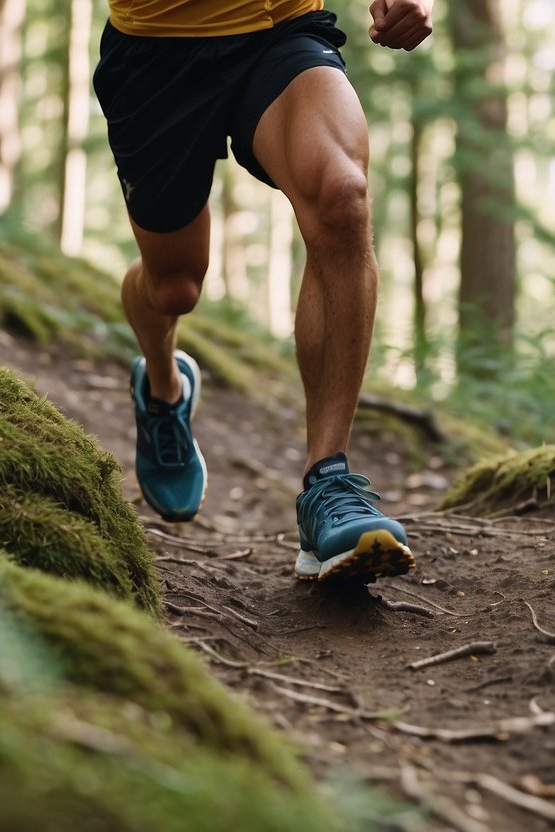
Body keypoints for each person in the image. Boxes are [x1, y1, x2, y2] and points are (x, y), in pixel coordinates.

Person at [94, 0, 433, 582]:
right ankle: (162, 385)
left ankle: (328, 485)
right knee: (174, 287)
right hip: (156, 48)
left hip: (281, 30)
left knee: (342, 198)